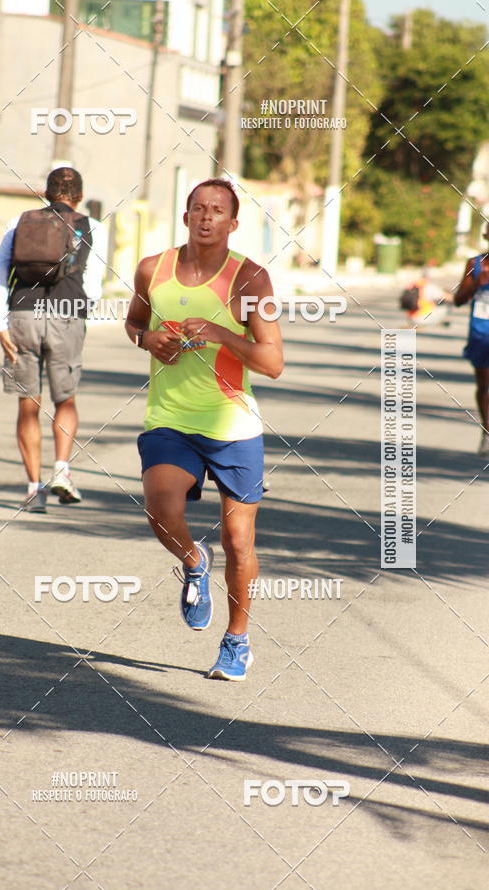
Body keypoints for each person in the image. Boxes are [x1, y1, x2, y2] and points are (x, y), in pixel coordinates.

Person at [125, 178, 283, 681]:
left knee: (239, 541)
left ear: (234, 223)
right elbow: (133, 322)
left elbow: (273, 362)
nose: (207, 216)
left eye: (218, 210)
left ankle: (237, 641)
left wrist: (221, 333)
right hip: (170, 417)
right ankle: (194, 561)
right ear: (186, 215)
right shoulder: (153, 269)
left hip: (233, 424)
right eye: (198, 208)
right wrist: (147, 338)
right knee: (160, 508)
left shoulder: (251, 280)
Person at [0, 167, 107, 511]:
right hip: (66, 314)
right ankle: (61, 471)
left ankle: (32, 489)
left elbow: (0, 272)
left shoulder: (18, 222)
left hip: (22, 314)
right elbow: (94, 283)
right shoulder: (92, 227)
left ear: (46, 193)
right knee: (65, 400)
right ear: (80, 197)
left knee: (28, 403)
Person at [454, 229, 489, 457]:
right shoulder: (475, 264)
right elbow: (458, 299)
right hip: (481, 331)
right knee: (485, 385)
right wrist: (476, 283)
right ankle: (487, 431)